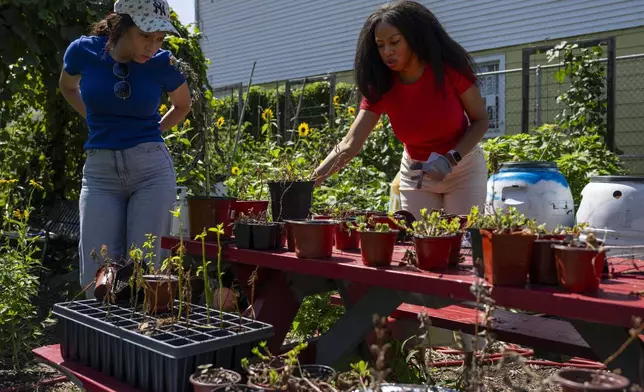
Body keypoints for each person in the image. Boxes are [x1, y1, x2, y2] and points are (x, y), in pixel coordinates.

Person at [59, 0, 191, 296]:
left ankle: (142, 338)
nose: (152, 47)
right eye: (146, 36)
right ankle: (102, 341)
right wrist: (93, 120)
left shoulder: (163, 64)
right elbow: (67, 86)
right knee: (97, 274)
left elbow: (182, 105)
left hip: (151, 173)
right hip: (100, 175)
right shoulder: (84, 51)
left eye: (160, 39)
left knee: (146, 272)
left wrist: (152, 131)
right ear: (122, 25)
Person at [314, 0, 489, 219]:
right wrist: (311, 182)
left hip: (463, 169)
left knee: (462, 243)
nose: (387, 51)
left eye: (394, 42)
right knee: (418, 242)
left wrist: (451, 158)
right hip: (417, 174)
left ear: (414, 39)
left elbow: (481, 120)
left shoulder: (448, 71)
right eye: (380, 45)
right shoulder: (382, 85)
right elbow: (350, 144)